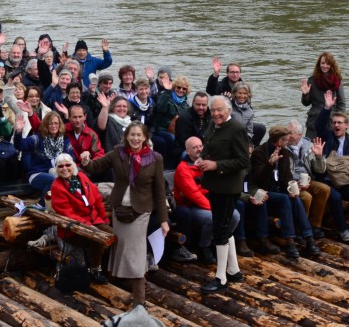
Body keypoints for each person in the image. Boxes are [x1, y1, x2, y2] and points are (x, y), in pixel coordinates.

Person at [81, 122, 169, 307]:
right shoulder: (117, 153)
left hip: (141, 210)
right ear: (126, 136)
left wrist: (163, 220)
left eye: (139, 135)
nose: (135, 138)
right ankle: (133, 293)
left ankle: (139, 299)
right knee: (122, 252)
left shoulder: (155, 158)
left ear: (145, 138)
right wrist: (86, 161)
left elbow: (160, 192)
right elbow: (94, 167)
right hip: (120, 209)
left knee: (136, 254)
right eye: (132, 135)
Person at [195, 95, 250, 294]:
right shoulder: (212, 125)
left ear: (228, 111)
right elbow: (208, 146)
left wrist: (216, 165)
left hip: (228, 186)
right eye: (213, 110)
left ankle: (221, 278)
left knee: (220, 229)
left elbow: (243, 161)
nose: (216, 114)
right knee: (223, 225)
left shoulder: (237, 129)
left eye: (219, 110)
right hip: (214, 184)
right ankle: (233, 270)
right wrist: (201, 158)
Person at [250, 126, 321, 258]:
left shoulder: (285, 153)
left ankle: (309, 238)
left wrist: (292, 186)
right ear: (279, 141)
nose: (288, 142)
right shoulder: (259, 152)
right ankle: (290, 241)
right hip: (265, 192)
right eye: (286, 140)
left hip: (280, 190)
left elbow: (287, 176)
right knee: (284, 199)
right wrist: (269, 164)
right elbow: (257, 179)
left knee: (295, 198)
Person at [172, 136, 240, 264]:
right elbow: (194, 195)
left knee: (235, 215)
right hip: (191, 205)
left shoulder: (207, 163)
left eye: (200, 146)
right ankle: (204, 247)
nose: (199, 149)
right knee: (213, 217)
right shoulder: (183, 169)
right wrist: (215, 209)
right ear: (187, 151)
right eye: (194, 147)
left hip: (208, 201)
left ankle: (218, 241)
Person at [48, 153, 112, 284]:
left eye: (68, 165)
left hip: (94, 220)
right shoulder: (57, 186)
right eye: (61, 166)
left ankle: (109, 266)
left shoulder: (82, 177)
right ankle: (95, 270)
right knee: (97, 238)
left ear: (73, 166)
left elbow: (97, 199)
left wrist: (104, 218)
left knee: (113, 235)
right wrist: (88, 226)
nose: (65, 168)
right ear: (56, 169)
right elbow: (67, 213)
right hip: (73, 228)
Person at [314, 93, 349, 241]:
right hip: (327, 181)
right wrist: (326, 108)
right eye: (334, 123)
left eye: (340, 123)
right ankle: (343, 229)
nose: (336, 125)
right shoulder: (327, 136)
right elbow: (318, 125)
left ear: (346, 125)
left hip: (345, 181)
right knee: (335, 197)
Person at [284, 120, 330, 239]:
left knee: (324, 189)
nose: (287, 136)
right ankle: (301, 228)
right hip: (291, 183)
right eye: (286, 132)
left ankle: (315, 225)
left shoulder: (308, 145)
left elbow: (320, 170)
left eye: (290, 133)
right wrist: (295, 184)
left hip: (307, 180)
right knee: (306, 197)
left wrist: (319, 157)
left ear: (300, 135)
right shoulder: (283, 147)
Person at [14, 111, 73, 194]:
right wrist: (19, 131)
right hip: (38, 174)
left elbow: (71, 159)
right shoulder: (38, 139)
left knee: (75, 178)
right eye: (50, 123)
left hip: (59, 173)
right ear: (45, 125)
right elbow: (20, 146)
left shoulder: (65, 141)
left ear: (60, 125)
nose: (53, 126)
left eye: (56, 123)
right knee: (53, 180)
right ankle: (43, 203)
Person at [301, 51, 346, 139]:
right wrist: (305, 94)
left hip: (331, 120)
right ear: (319, 64)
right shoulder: (312, 80)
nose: (325, 66)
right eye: (323, 63)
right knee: (311, 148)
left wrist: (340, 122)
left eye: (328, 64)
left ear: (332, 65)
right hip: (314, 120)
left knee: (330, 149)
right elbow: (306, 103)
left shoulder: (337, 81)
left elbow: (341, 103)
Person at [148, 76, 190, 167]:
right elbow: (160, 108)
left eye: (184, 89)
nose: (181, 90)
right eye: (178, 87)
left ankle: (179, 164)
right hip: (161, 129)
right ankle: (167, 165)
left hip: (177, 130)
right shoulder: (165, 96)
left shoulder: (186, 105)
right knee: (171, 138)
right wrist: (167, 91)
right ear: (174, 87)